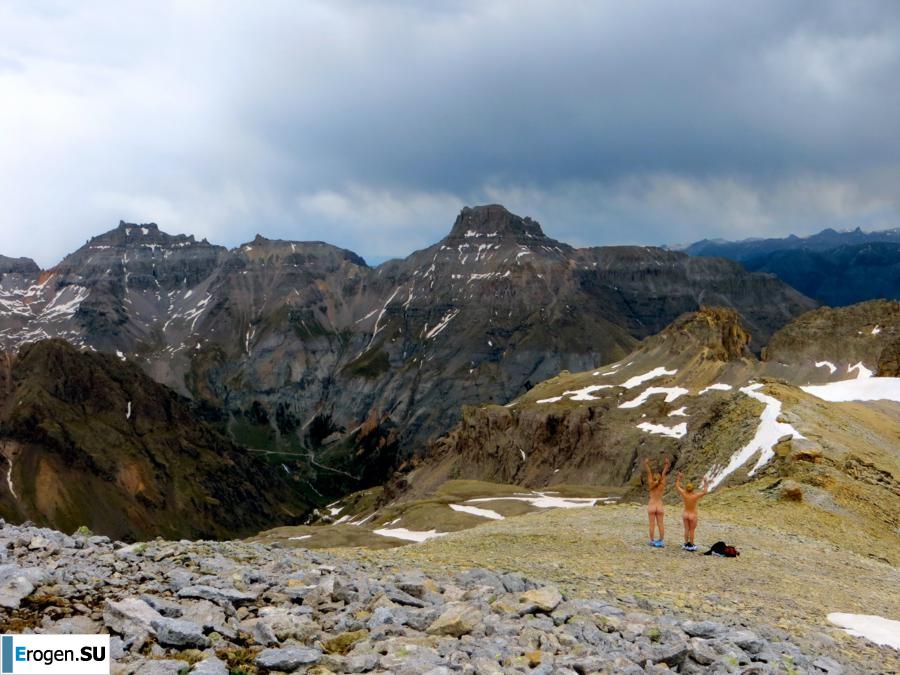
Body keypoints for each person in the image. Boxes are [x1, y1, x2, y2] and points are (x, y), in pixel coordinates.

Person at [676, 472, 710, 551]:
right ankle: (691, 544)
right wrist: (705, 482)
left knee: (686, 529)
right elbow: (705, 492)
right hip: (692, 515)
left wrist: (679, 478)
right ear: (693, 489)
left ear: (686, 488)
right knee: (692, 530)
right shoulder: (695, 496)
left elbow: (677, 486)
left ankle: (685, 543)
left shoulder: (684, 494)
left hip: (685, 514)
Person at [644, 456, 670, 547]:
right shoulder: (662, 484)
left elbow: (648, 472)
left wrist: (646, 463)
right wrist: (666, 465)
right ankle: (661, 540)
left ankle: (651, 540)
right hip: (659, 506)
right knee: (660, 524)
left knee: (652, 524)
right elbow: (664, 473)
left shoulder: (651, 483)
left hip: (651, 505)